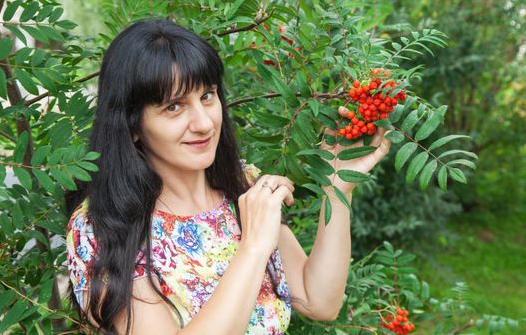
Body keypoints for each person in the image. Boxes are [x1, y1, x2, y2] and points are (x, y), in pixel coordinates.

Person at [65, 18, 391, 335]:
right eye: (174, 108)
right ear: (133, 125)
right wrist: (252, 246)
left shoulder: (240, 186)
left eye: (207, 96)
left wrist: (338, 188)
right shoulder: (102, 229)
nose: (204, 123)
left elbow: (319, 301)